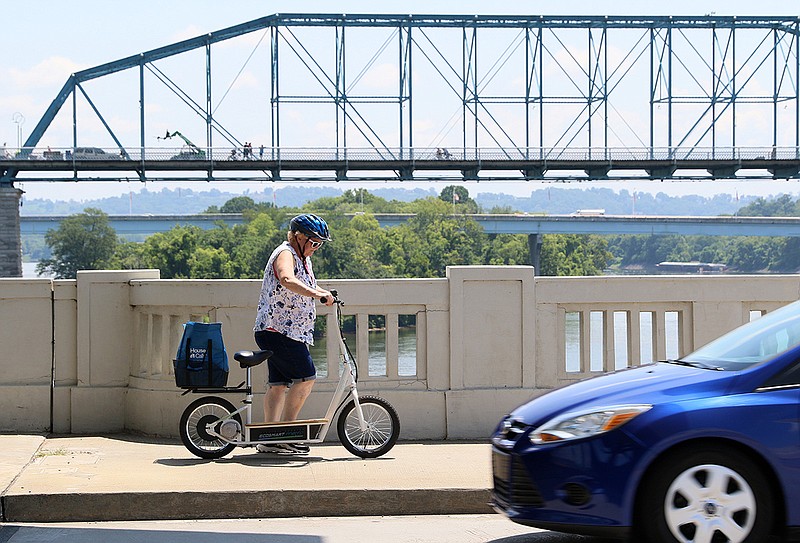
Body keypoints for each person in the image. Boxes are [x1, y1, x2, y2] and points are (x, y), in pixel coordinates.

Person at [253, 213, 334, 454]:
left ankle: (269, 438)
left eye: (320, 244)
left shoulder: (303, 257)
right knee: (306, 377)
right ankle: (286, 434)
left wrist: (326, 293)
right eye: (314, 242)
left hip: (285, 331)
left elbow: (306, 285)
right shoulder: (286, 253)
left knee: (278, 385)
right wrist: (316, 294)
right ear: (298, 237)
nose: (316, 247)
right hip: (279, 330)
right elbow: (287, 279)